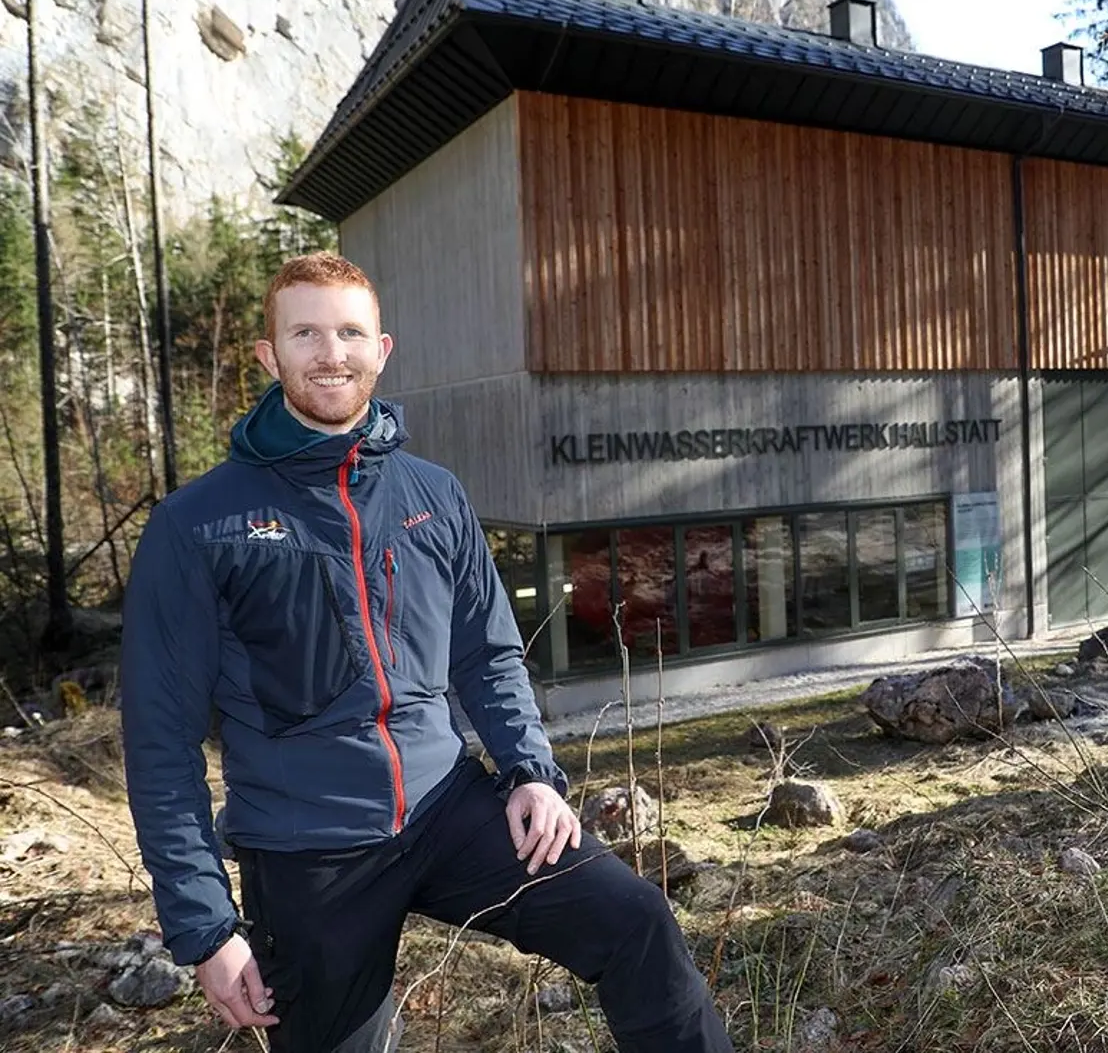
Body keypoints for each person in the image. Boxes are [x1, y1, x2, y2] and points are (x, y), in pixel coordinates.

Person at [120, 252, 733, 1053]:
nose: (329, 352)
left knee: (633, 919)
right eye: (305, 332)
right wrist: (204, 928)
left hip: (448, 809)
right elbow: (159, 741)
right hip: (308, 849)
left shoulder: (432, 494)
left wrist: (531, 772)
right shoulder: (199, 524)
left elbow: (487, 652)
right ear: (270, 356)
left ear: (383, 349)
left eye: (349, 332)